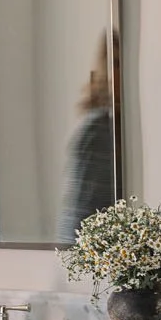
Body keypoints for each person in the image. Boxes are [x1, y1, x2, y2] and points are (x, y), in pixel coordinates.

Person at [57, 35, 116, 243]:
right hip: (93, 253)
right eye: (116, 63)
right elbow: (78, 215)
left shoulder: (117, 126)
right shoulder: (98, 130)